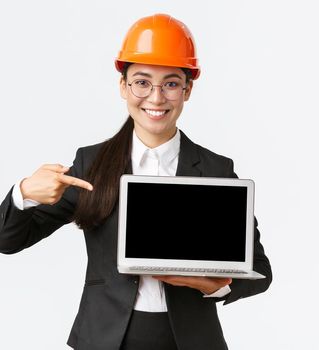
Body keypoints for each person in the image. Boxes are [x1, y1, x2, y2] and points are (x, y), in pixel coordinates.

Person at [0, 13, 272, 350]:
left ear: (187, 90)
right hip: (105, 338)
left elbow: (260, 270)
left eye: (171, 83)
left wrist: (213, 285)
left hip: (189, 340)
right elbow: (7, 240)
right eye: (142, 82)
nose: (156, 98)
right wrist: (23, 193)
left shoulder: (216, 168)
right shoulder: (92, 165)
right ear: (123, 86)